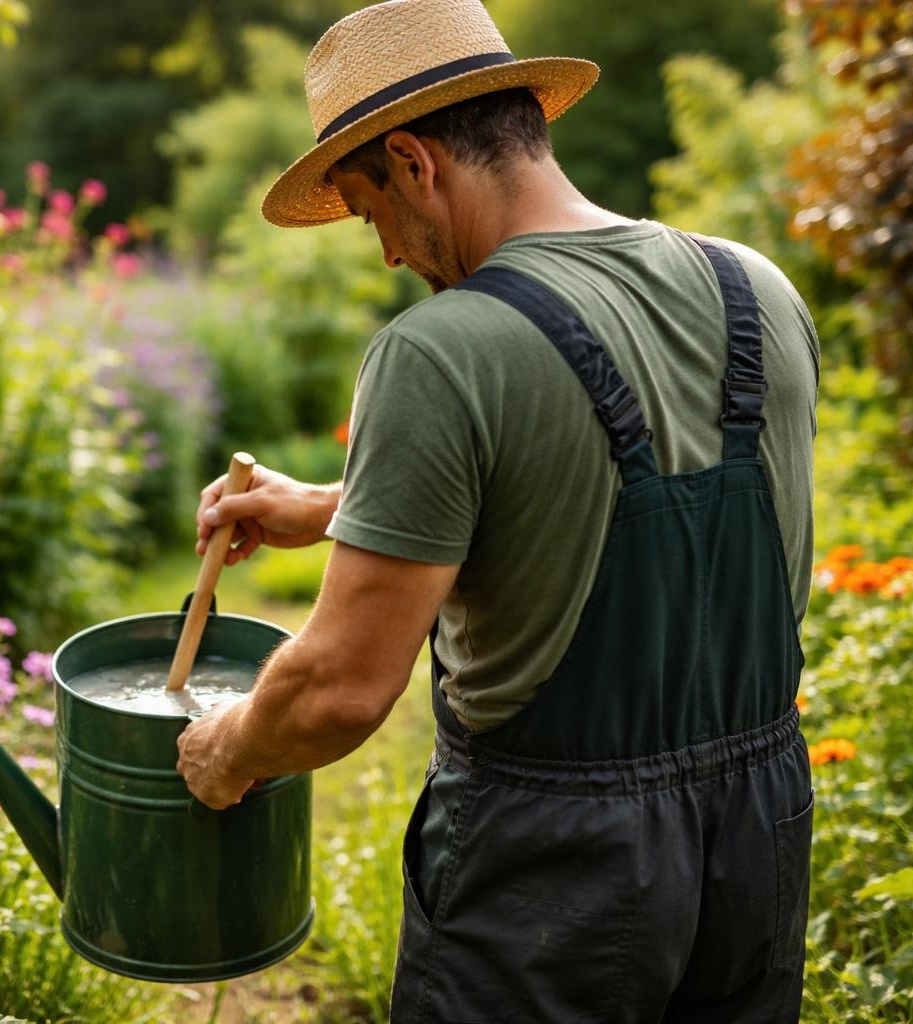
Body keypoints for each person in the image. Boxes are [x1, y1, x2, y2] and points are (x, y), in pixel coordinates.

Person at [175, 0, 818, 1020]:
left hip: (554, 868)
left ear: (414, 162)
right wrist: (339, 506)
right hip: (759, 830)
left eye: (367, 207)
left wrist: (228, 745)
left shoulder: (442, 349)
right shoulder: (760, 291)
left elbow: (340, 687)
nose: (386, 251)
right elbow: (586, 480)